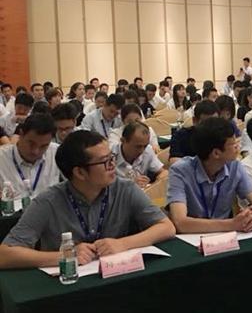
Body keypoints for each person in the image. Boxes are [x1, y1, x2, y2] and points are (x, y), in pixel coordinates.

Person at [0, 130, 175, 269]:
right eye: (104, 162)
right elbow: (4, 254)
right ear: (80, 172)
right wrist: (64, 256)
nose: (112, 165)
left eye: (112, 158)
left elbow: (166, 227)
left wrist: (122, 244)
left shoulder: (125, 188)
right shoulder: (48, 201)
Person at [166, 117, 252, 234]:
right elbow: (181, 223)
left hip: (225, 236)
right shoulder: (180, 171)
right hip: (192, 237)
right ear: (216, 153)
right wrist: (232, 224)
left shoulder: (235, 166)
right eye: (233, 144)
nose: (238, 147)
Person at [0, 113, 60, 195]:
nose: (35, 151)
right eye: (31, 144)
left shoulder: (57, 153)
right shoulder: (2, 158)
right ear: (21, 134)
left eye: (43, 146)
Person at [112, 121, 167, 188]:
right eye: (138, 147)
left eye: (145, 146)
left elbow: (164, 172)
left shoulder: (147, 150)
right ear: (123, 141)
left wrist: (155, 184)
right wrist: (130, 185)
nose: (142, 151)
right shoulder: (109, 156)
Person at [168, 100, 219, 166]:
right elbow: (175, 163)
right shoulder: (180, 136)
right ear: (195, 121)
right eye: (206, 123)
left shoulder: (222, 137)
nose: (211, 127)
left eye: (215, 123)